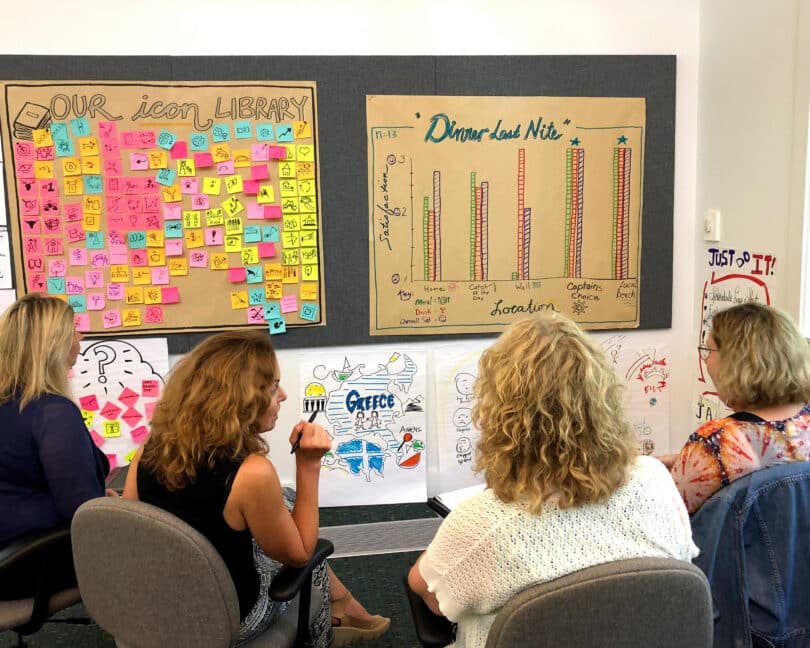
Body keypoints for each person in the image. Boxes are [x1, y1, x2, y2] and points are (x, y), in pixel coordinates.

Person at [407, 314, 698, 648]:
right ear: (601, 400)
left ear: (502, 416)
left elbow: (427, 593)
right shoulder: (655, 482)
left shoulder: (480, 525)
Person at [123, 330, 389, 647]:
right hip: (227, 620)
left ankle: (342, 602)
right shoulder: (251, 474)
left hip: (156, 611)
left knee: (284, 502)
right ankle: (324, 631)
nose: (284, 395)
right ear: (242, 399)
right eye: (274, 387)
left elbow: (133, 531)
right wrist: (308, 466)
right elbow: (300, 554)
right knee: (310, 561)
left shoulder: (150, 449)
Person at [0, 293, 109, 598]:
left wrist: (98, 496)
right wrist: (104, 503)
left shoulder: (12, 404)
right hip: (26, 563)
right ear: (54, 344)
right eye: (73, 329)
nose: (80, 336)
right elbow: (80, 510)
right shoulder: (52, 412)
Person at [662, 301, 810, 514]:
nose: (705, 360)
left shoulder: (715, 442)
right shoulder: (803, 422)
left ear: (735, 361)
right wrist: (686, 459)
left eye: (708, 350)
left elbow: (668, 520)